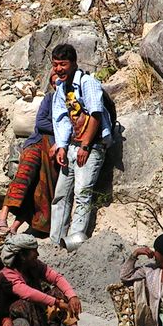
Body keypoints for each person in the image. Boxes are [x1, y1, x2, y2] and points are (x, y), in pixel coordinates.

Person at [48, 44, 113, 250]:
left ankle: (74, 241)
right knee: (61, 194)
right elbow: (62, 119)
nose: (59, 69)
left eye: (63, 64)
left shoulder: (88, 82)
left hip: (91, 147)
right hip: (72, 147)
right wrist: (61, 146)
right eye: (56, 64)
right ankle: (54, 241)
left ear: (74, 63)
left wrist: (85, 145)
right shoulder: (61, 87)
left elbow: (95, 114)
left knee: (83, 193)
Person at [0, 234, 95, 326]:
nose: (37, 255)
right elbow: (28, 293)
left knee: (60, 291)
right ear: (23, 256)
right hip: (16, 322)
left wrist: (72, 296)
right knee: (27, 302)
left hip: (39, 314)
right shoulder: (7, 274)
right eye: (34, 252)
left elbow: (56, 278)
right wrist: (57, 303)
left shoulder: (34, 265)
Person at [0, 75, 59, 236]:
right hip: (37, 144)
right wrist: (64, 128)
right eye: (53, 81)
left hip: (53, 151)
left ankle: (15, 227)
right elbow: (41, 123)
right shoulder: (49, 99)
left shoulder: (73, 101)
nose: (57, 84)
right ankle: (2, 217)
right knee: (23, 178)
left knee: (38, 189)